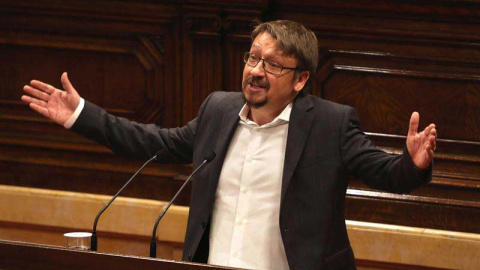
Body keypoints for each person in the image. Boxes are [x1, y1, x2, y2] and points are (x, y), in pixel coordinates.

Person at [21, 20, 436, 270]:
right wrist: (81, 115)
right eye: (253, 59)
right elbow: (153, 142)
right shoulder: (219, 111)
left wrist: (412, 163)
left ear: (301, 79)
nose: (257, 71)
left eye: (273, 65)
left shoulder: (330, 123)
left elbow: (385, 173)